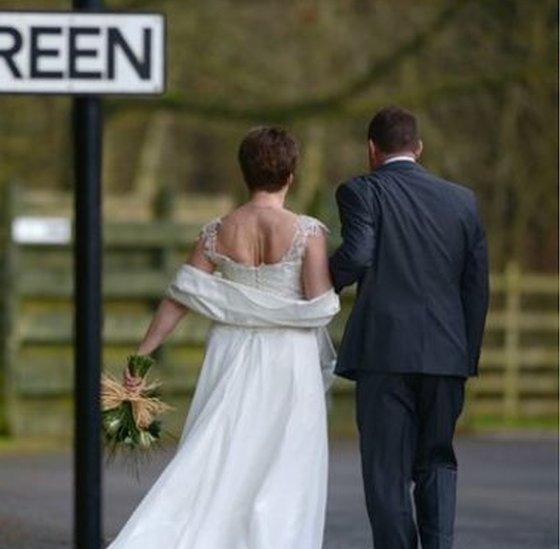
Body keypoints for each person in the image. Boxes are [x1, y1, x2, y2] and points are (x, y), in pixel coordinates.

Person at [107, 127, 339, 548]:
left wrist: (141, 356)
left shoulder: (217, 231)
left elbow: (180, 297)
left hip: (230, 351)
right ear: (292, 175)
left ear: (244, 173)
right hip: (289, 358)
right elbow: (320, 304)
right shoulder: (307, 232)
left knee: (215, 453)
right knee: (286, 464)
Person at [330, 106, 490, 549]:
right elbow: (476, 288)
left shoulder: (361, 191)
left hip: (384, 354)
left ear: (371, 150)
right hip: (447, 356)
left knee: (386, 471)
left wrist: (319, 280)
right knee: (437, 462)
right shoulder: (463, 201)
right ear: (418, 148)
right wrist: (464, 357)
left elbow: (358, 255)